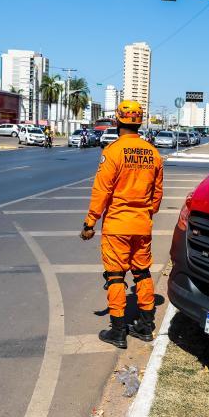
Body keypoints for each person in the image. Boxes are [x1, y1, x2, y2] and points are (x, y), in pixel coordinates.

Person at [81, 100, 164, 348]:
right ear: (139, 122)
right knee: (142, 272)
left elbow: (101, 191)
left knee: (116, 276)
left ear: (118, 121)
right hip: (142, 225)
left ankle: (117, 332)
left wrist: (89, 222)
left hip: (117, 225)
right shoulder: (153, 153)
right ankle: (146, 327)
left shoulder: (113, 151)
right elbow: (157, 194)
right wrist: (146, 214)